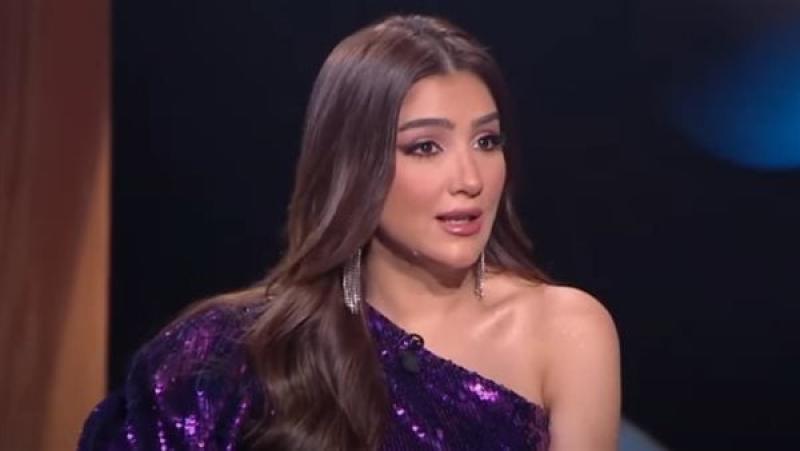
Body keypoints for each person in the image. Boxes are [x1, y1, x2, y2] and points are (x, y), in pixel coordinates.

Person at [79, 14, 620, 451]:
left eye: (486, 142)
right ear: (353, 166)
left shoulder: (566, 332)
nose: (470, 179)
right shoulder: (234, 354)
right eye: (425, 147)